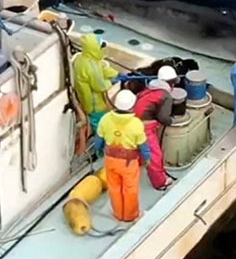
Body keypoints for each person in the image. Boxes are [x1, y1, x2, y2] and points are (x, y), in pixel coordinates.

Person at [95, 90, 151, 222]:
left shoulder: (105, 119)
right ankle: (130, 216)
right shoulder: (136, 123)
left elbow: (99, 139)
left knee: (114, 187)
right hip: (128, 162)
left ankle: (118, 214)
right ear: (132, 106)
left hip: (110, 160)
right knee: (130, 188)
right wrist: (147, 158)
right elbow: (143, 145)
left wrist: (98, 150)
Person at [133, 66, 178, 190]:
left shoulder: (150, 88)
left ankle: (138, 163)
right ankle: (160, 182)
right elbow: (163, 117)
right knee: (154, 155)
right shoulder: (166, 96)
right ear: (172, 83)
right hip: (144, 127)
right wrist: (171, 121)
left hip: (133, 123)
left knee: (137, 148)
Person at [73, 34, 119, 133]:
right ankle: (99, 142)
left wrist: (117, 74)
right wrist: (110, 82)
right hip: (94, 103)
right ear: (94, 48)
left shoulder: (84, 58)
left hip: (84, 98)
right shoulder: (91, 67)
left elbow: (102, 68)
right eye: (100, 46)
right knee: (99, 124)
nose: (102, 49)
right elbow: (99, 86)